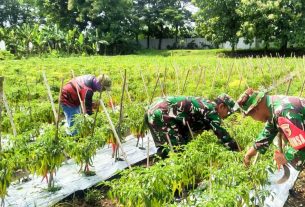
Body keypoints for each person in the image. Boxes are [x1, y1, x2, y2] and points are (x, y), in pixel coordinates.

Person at [237, 88, 305, 169]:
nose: (255, 120)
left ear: (255, 109)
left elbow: (302, 147)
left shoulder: (282, 111)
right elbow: (268, 132)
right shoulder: (272, 106)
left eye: (252, 116)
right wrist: (249, 154)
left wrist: (286, 158)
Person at [145, 94, 240, 152]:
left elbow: (187, 129)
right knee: (177, 150)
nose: (226, 116)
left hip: (154, 109)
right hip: (162, 113)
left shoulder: (206, 103)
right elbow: (221, 134)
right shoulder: (212, 111)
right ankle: (179, 181)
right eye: (228, 112)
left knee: (165, 146)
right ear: (222, 106)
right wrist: (236, 147)